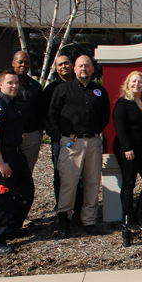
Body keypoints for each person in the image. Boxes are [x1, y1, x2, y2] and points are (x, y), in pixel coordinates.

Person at [49, 54, 111, 238]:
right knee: (68, 183)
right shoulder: (63, 89)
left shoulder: (99, 91)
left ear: (92, 69)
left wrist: (95, 133)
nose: (83, 69)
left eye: (87, 66)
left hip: (93, 141)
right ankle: (64, 221)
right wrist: (61, 137)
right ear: (74, 69)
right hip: (71, 142)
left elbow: (105, 116)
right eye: (80, 66)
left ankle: (89, 221)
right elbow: (52, 115)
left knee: (92, 183)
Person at [0, 69, 36, 255]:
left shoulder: (13, 104)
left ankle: (11, 229)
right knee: (1, 200)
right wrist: (0, 163)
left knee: (27, 193)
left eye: (16, 83)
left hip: (17, 156)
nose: (14, 86)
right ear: (0, 85)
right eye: (10, 83)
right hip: (4, 158)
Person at [112, 71, 142, 231]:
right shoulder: (123, 103)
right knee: (129, 183)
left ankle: (140, 214)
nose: (136, 84)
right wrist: (127, 148)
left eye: (140, 82)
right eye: (133, 82)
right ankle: (128, 217)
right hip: (128, 149)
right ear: (127, 84)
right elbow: (120, 128)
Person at [0, 50, 45, 178]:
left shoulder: (35, 86)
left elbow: (41, 111)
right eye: (20, 62)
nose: (23, 65)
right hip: (8, 138)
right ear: (13, 63)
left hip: (31, 136)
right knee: (8, 173)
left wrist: (39, 132)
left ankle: (21, 197)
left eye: (26, 63)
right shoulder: (0, 84)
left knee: (26, 174)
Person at [41, 53, 80, 215]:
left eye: (66, 63)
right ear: (56, 69)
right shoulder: (51, 89)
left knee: (80, 175)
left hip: (80, 139)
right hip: (59, 139)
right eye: (59, 65)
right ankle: (62, 208)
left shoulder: (81, 86)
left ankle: (78, 208)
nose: (63, 66)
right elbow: (45, 115)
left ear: (72, 66)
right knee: (60, 174)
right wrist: (55, 135)